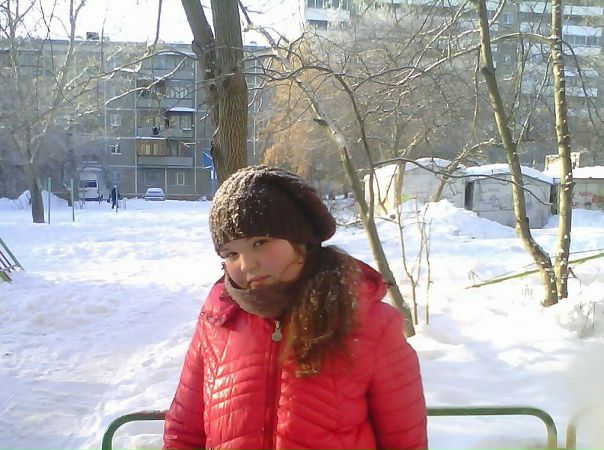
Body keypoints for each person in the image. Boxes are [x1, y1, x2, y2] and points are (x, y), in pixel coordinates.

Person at [162, 165, 427, 450]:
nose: (247, 264)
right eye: (231, 253)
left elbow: (405, 442)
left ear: (300, 241)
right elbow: (184, 432)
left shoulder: (368, 321)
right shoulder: (218, 319)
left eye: (260, 242)